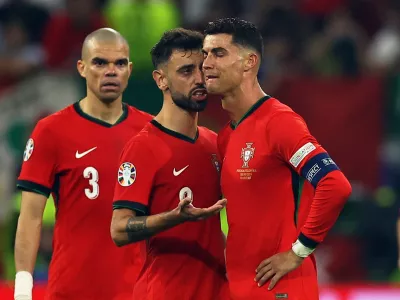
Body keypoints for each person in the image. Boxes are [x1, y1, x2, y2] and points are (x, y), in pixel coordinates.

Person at [202, 18, 352, 300]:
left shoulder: (279, 123)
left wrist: (298, 252)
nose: (207, 63)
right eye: (205, 54)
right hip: (240, 287)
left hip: (283, 288)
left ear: (249, 62)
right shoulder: (225, 136)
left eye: (218, 53)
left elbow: (334, 184)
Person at [14, 28, 152, 300]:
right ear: (82, 67)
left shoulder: (150, 132)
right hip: (71, 291)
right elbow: (30, 217)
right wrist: (22, 290)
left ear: (130, 69)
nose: (110, 71)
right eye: (100, 62)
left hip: (137, 291)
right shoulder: (51, 131)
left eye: (119, 63)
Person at [111, 28, 230, 300]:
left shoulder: (214, 144)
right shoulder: (143, 148)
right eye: (186, 71)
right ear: (161, 79)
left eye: (203, 68)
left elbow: (208, 231)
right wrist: (173, 218)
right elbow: (118, 229)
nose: (199, 79)